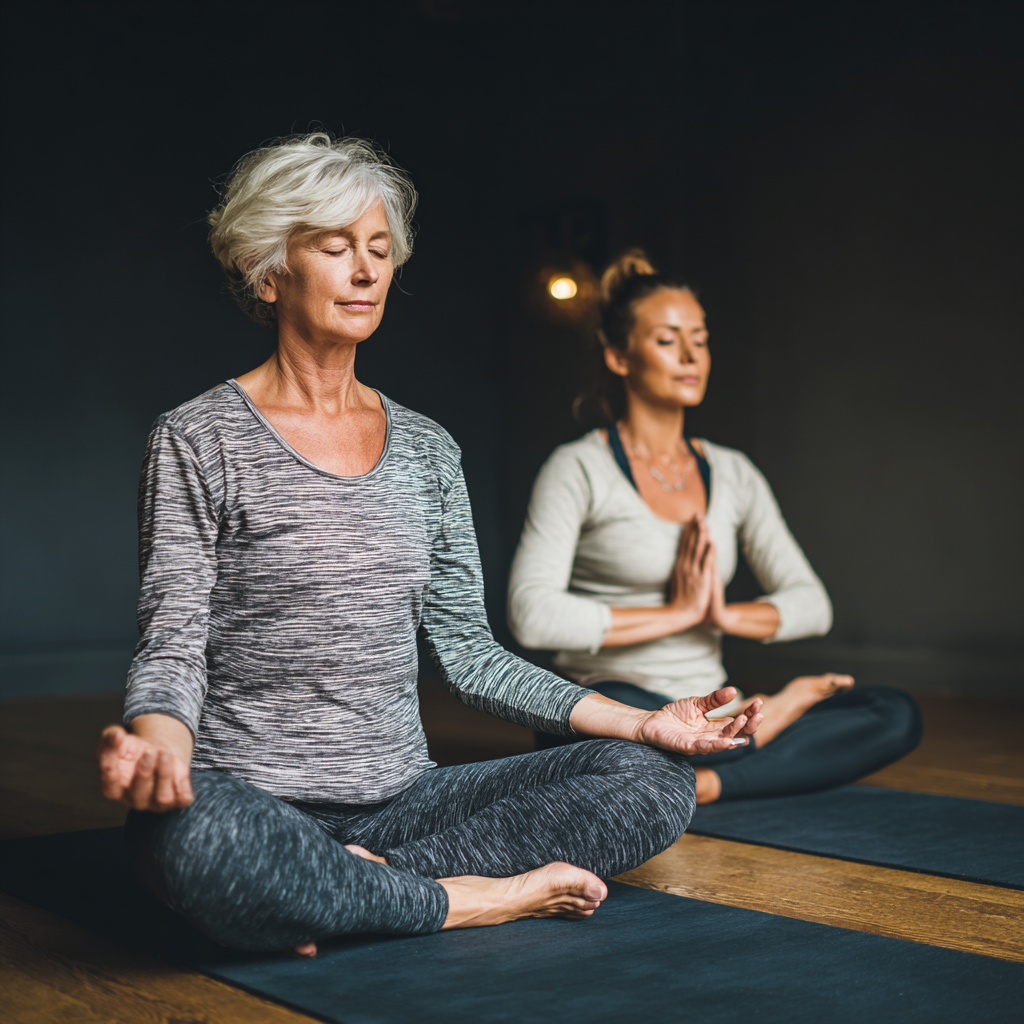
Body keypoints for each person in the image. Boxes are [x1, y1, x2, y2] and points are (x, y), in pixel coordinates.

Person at [95, 137, 764, 956]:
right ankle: (464, 899)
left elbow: (471, 654)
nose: (367, 271)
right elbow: (172, 639)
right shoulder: (198, 439)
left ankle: (354, 886)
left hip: (406, 799)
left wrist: (648, 725)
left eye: (380, 250)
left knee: (652, 781)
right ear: (270, 273)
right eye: (336, 249)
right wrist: (159, 749)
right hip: (253, 795)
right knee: (192, 840)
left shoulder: (426, 450)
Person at [508, 251, 920, 806]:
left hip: (715, 702)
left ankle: (705, 780)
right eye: (667, 340)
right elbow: (531, 616)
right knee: (622, 736)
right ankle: (756, 736)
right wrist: (675, 614)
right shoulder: (579, 467)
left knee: (894, 714)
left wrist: (720, 614)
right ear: (619, 356)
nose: (689, 356)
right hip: (615, 702)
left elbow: (811, 604)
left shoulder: (733, 472)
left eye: (699, 340)